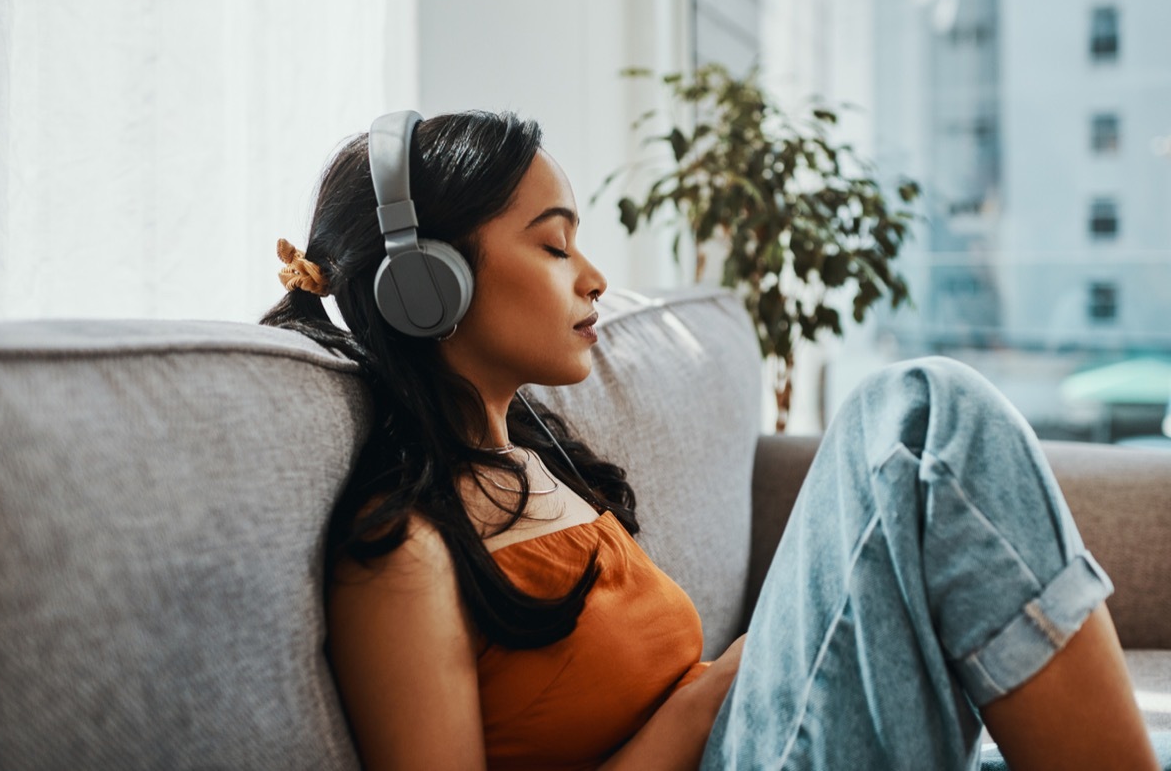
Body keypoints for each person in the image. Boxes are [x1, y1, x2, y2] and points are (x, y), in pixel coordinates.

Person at [260, 110, 1159, 770]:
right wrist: (694, 708)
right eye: (555, 247)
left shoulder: (541, 466)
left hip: (749, 737)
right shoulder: (403, 555)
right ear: (429, 287)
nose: (596, 278)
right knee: (919, 419)